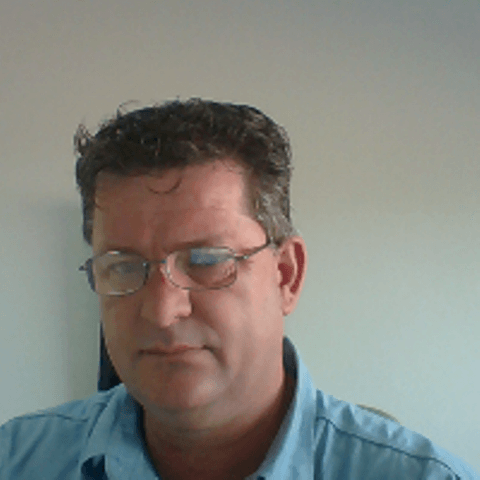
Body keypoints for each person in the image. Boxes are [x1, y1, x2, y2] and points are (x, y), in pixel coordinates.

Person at [0, 99, 478, 480]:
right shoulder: (15, 460)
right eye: (123, 267)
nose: (162, 311)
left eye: (206, 261)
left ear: (286, 275)